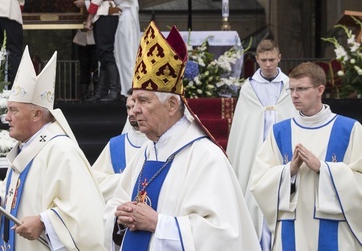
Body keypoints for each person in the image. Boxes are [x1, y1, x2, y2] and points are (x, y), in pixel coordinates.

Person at [103, 21, 260, 250]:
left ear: (172, 104)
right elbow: (115, 204)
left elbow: (223, 235)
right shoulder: (147, 151)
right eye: (134, 101)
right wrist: (119, 220)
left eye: (144, 101)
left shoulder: (206, 157)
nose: (135, 109)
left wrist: (158, 223)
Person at [0, 46, 106, 250]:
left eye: (13, 110)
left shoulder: (61, 150)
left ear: (36, 115)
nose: (6, 117)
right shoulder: (24, 150)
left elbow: (87, 216)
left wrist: (44, 222)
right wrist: (0, 204)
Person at [250, 62, 362, 250]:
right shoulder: (279, 132)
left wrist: (323, 168)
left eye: (301, 89)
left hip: (335, 227)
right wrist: (289, 171)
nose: (294, 95)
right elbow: (258, 182)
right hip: (291, 226)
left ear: (320, 90)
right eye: (291, 89)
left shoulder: (349, 129)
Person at [226, 39, 296, 250]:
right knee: (254, 196)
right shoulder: (249, 88)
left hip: (282, 151)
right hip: (255, 150)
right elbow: (243, 126)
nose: (267, 64)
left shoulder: (289, 86)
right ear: (256, 60)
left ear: (279, 58)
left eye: (271, 59)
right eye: (263, 60)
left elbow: (290, 113)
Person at [74, 0, 120, 102]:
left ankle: (114, 91)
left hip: (106, 12)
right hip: (103, 12)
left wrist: (89, 18)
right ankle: (101, 92)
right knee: (102, 54)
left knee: (106, 53)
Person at [92, 89, 148, 202]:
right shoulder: (116, 145)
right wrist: (128, 179)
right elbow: (95, 184)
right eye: (128, 108)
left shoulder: (157, 142)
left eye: (134, 107)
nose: (131, 113)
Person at [106, 0, 141, 97]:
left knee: (127, 55)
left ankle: (130, 89)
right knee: (121, 54)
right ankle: (125, 88)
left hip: (125, 17)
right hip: (122, 16)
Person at [72, 28, 98, 100]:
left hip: (95, 38)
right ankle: (84, 95)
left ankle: (97, 93)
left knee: (96, 67)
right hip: (82, 38)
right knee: (84, 67)